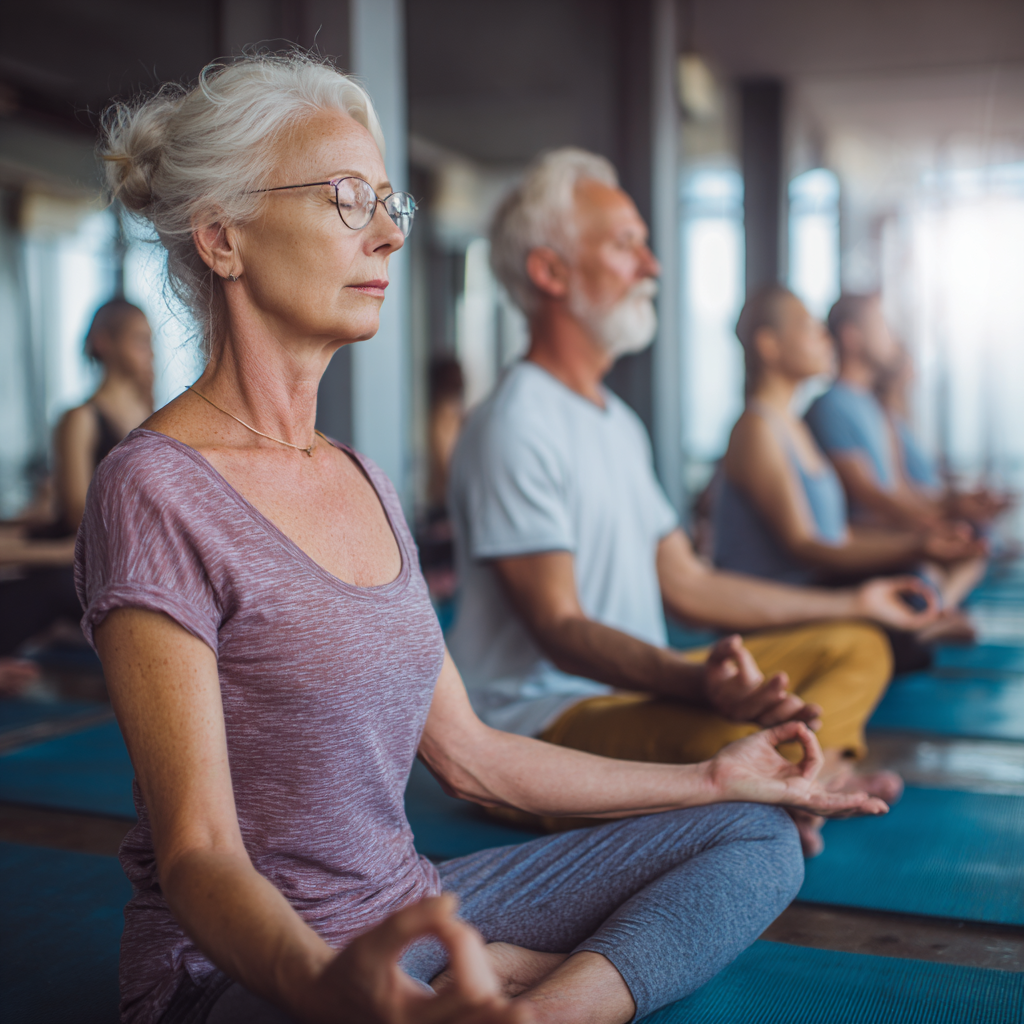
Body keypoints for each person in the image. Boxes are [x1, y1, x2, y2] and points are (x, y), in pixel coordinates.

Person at [80, 54, 883, 1024]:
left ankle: (541, 1008)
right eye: (345, 198)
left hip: (409, 908)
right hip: (246, 973)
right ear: (222, 238)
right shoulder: (154, 487)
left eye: (390, 204)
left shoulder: (363, 479)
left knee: (752, 834)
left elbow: (470, 755)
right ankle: (489, 980)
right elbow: (200, 849)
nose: (385, 233)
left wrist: (712, 776)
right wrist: (336, 988)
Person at [446, 148, 931, 858]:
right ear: (549, 272)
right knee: (730, 743)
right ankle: (808, 777)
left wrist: (859, 603)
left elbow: (689, 583)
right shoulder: (514, 422)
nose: (652, 265)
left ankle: (797, 780)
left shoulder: (616, 420)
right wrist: (696, 682)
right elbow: (558, 625)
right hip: (550, 723)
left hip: (646, 693)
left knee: (859, 646)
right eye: (625, 245)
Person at [714, 286, 987, 650]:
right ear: (769, 345)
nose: (824, 337)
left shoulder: (793, 426)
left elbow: (837, 535)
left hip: (816, 586)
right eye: (808, 328)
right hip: (777, 613)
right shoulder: (756, 428)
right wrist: (916, 546)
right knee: (903, 597)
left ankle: (923, 622)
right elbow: (805, 546)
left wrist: (923, 541)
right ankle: (922, 626)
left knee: (919, 580)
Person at [0, 299, 154, 673]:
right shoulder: (80, 419)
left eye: (149, 341)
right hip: (90, 558)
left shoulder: (155, 417)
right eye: (138, 339)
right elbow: (78, 517)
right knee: (52, 583)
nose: (149, 351)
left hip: (130, 557)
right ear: (104, 343)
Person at [806, 293, 988, 609]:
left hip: (891, 527)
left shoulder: (877, 410)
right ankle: (934, 613)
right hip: (865, 538)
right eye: (881, 325)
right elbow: (869, 494)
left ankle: (936, 610)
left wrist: (947, 509)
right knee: (929, 568)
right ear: (852, 337)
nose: (890, 335)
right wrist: (932, 522)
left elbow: (899, 487)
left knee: (973, 542)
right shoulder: (830, 406)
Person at [874, 345, 1011, 530]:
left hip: (929, 505)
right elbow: (901, 487)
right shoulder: (884, 418)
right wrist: (947, 511)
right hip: (921, 513)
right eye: (910, 364)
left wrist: (957, 498)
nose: (915, 372)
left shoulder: (900, 419)